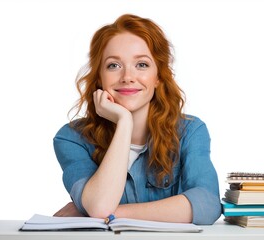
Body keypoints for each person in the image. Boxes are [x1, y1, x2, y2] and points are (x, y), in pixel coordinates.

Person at [53, 14, 221, 225]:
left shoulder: (190, 131)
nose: (127, 77)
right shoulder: (71, 138)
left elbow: (207, 205)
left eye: (141, 65)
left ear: (158, 76)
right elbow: (100, 205)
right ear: (99, 77)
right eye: (113, 66)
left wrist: (112, 213)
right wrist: (124, 122)